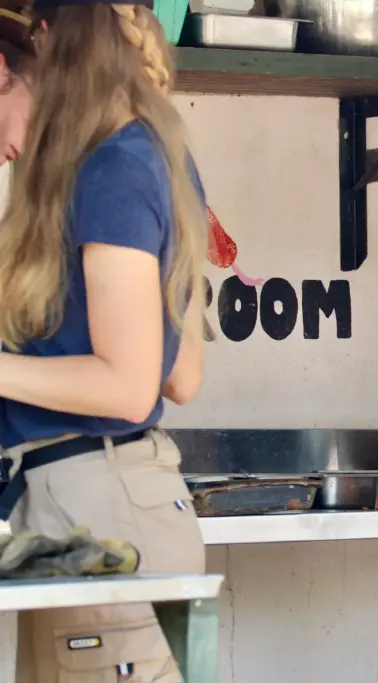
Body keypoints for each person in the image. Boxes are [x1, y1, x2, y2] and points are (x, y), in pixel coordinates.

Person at [0, 3, 209, 682]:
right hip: (120, 506)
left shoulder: (110, 171)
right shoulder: (160, 157)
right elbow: (180, 376)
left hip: (96, 513)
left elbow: (127, 384)